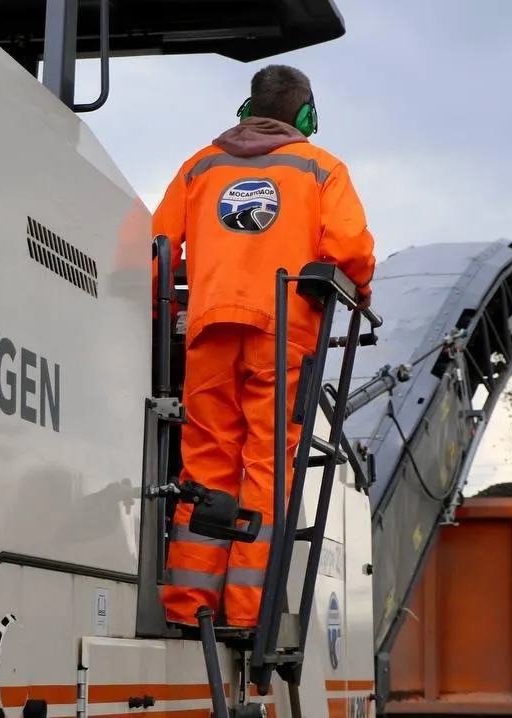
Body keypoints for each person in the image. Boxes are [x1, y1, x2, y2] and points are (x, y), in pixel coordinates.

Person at [150, 64, 376, 629]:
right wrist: (358, 293)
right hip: (283, 336)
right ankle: (247, 611)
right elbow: (350, 252)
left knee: (206, 463)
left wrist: (169, 308)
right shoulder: (321, 169)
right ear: (307, 116)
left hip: (209, 330)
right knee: (268, 465)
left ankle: (190, 604)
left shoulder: (200, 167)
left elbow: (157, 250)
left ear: (247, 110)